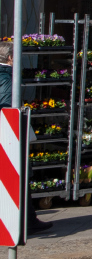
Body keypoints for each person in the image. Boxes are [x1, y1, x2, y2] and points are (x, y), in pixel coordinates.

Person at [0, 41, 52, 234]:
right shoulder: (5, 77)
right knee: (20, 175)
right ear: (10, 58)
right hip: (9, 137)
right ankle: (28, 221)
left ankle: (28, 219)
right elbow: (7, 107)